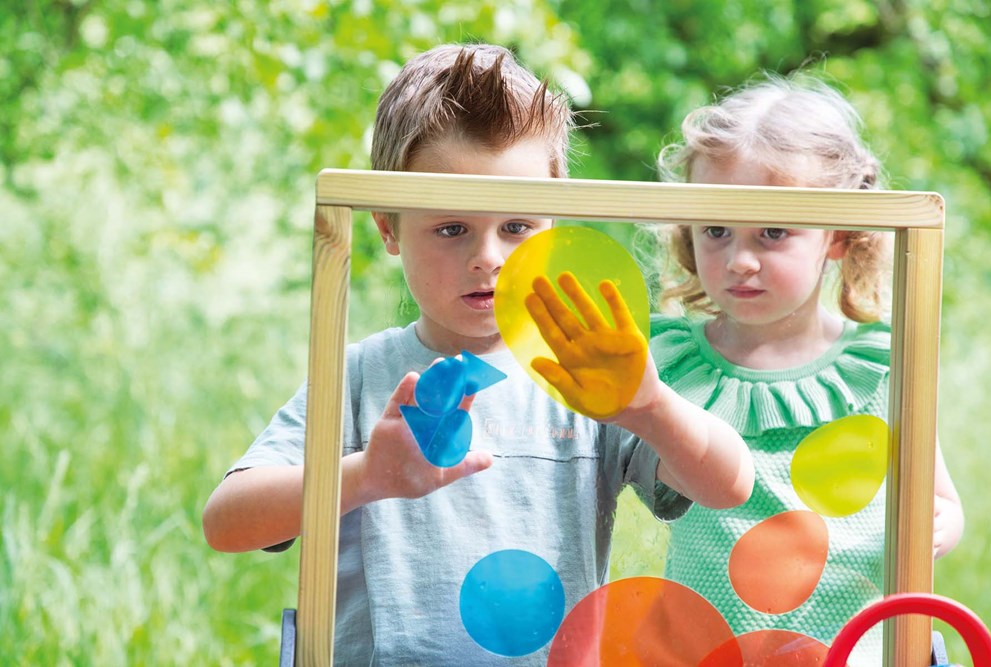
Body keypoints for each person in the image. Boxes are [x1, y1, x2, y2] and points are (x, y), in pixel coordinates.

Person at [201, 44, 753, 666]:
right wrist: (368, 476)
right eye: (450, 228)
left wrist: (648, 407)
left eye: (517, 227)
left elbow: (730, 484)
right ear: (388, 227)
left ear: (557, 222)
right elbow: (228, 522)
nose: (488, 256)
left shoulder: (584, 374)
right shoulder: (359, 375)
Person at [649, 74, 965, 664]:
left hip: (857, 648)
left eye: (773, 232)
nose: (739, 260)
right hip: (712, 648)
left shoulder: (880, 365)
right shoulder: (671, 361)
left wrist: (940, 525)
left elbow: (940, 500)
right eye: (716, 230)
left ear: (837, 236)